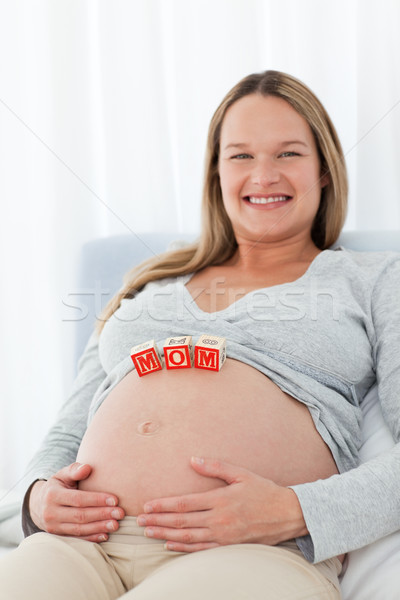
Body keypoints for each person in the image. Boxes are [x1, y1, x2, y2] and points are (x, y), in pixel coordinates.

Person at [1, 69, 400, 600]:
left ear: (324, 169)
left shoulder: (375, 280)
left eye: (288, 154)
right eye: (240, 155)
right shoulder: (148, 283)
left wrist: (295, 511)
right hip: (81, 546)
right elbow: (67, 432)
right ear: (215, 171)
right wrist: (36, 497)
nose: (263, 175)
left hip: (253, 552)